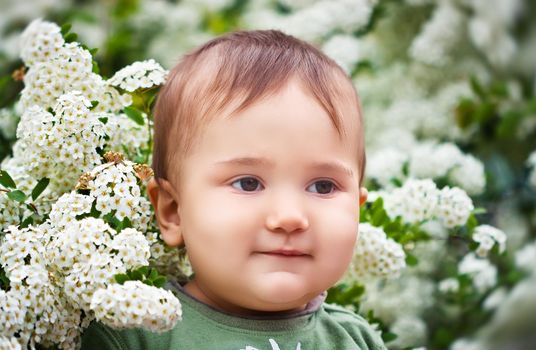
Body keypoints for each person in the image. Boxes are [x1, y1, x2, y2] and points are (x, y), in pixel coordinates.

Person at [82, 29, 386, 350]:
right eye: (248, 183)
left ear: (357, 208)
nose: (289, 217)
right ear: (173, 211)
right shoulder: (136, 330)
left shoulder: (355, 339)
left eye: (323, 186)